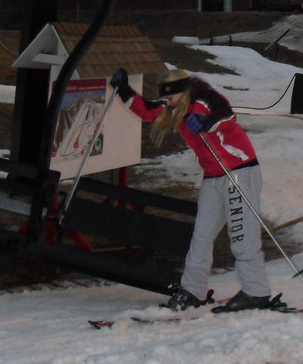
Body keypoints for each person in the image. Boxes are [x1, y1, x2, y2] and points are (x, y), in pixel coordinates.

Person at [111, 68, 272, 311]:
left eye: (170, 98)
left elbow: (225, 116)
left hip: (238, 171)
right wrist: (122, 89)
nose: (167, 103)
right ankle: (193, 291)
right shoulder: (176, 109)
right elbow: (146, 109)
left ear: (182, 92)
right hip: (213, 176)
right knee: (201, 238)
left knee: (241, 235)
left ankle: (256, 291)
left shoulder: (205, 98)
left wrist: (205, 123)